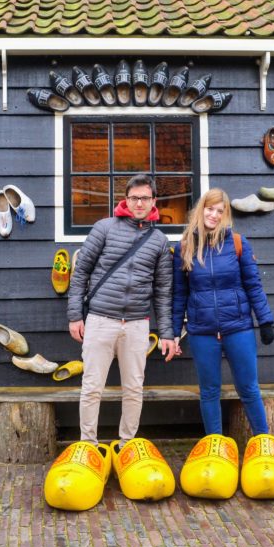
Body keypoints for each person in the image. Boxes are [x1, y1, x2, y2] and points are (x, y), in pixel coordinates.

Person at [66, 173, 178, 447]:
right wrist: (74, 315)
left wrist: (166, 333)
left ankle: (127, 444)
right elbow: (81, 272)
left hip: (137, 324)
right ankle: (87, 444)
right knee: (92, 387)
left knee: (133, 389)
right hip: (100, 320)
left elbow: (163, 290)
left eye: (145, 198)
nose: (139, 203)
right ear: (126, 200)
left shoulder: (159, 240)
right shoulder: (104, 228)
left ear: (153, 200)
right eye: (134, 198)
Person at [171, 188, 274, 437]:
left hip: (238, 327)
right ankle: (215, 446)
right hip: (202, 331)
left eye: (220, 211)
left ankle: (264, 442)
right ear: (201, 209)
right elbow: (179, 295)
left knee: (249, 389)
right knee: (209, 391)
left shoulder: (237, 243)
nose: (214, 215)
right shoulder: (185, 246)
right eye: (210, 208)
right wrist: (175, 332)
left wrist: (265, 320)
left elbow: (253, 284)